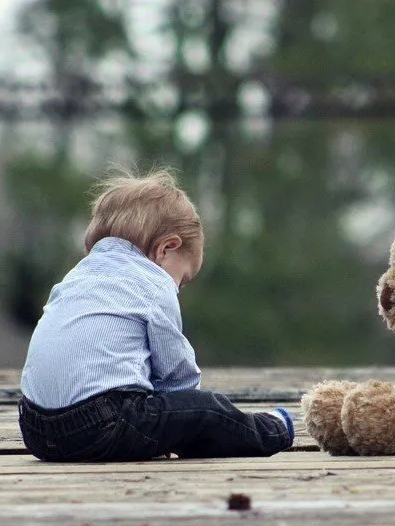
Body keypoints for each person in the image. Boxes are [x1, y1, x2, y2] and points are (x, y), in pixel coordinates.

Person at [18, 168, 294, 462]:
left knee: (160, 414)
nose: (178, 289)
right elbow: (177, 376)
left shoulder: (75, 277)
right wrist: (187, 416)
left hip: (35, 429)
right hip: (101, 426)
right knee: (208, 410)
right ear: (166, 248)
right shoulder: (153, 283)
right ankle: (273, 429)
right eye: (182, 280)